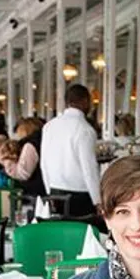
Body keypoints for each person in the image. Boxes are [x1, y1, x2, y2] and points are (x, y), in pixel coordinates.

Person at [40, 84, 102, 217]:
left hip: (54, 192)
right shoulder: (85, 129)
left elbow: (43, 163)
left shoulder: (49, 126)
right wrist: (98, 201)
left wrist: (49, 191)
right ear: (85, 101)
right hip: (80, 196)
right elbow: (89, 168)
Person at [2, 117, 45, 197]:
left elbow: (23, 173)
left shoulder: (30, 145)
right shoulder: (44, 141)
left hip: (33, 191)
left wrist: (8, 161)